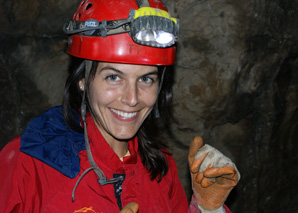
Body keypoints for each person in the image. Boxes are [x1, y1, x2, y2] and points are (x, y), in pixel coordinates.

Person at [0, 0, 240, 212]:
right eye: (114, 77)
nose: (132, 98)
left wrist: (208, 209)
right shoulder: (29, 163)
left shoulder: (159, 166)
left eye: (146, 79)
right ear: (83, 79)